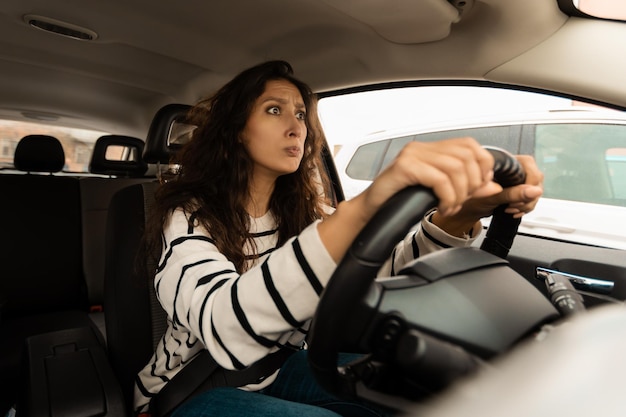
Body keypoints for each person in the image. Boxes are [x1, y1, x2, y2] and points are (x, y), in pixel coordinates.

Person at [134, 60, 543, 416]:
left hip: (283, 365)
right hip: (192, 390)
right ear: (236, 131)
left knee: (416, 392)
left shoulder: (307, 214)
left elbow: (384, 273)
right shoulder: (188, 217)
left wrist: (458, 218)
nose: (297, 127)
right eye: (274, 110)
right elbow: (222, 324)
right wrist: (364, 206)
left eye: (300, 115)